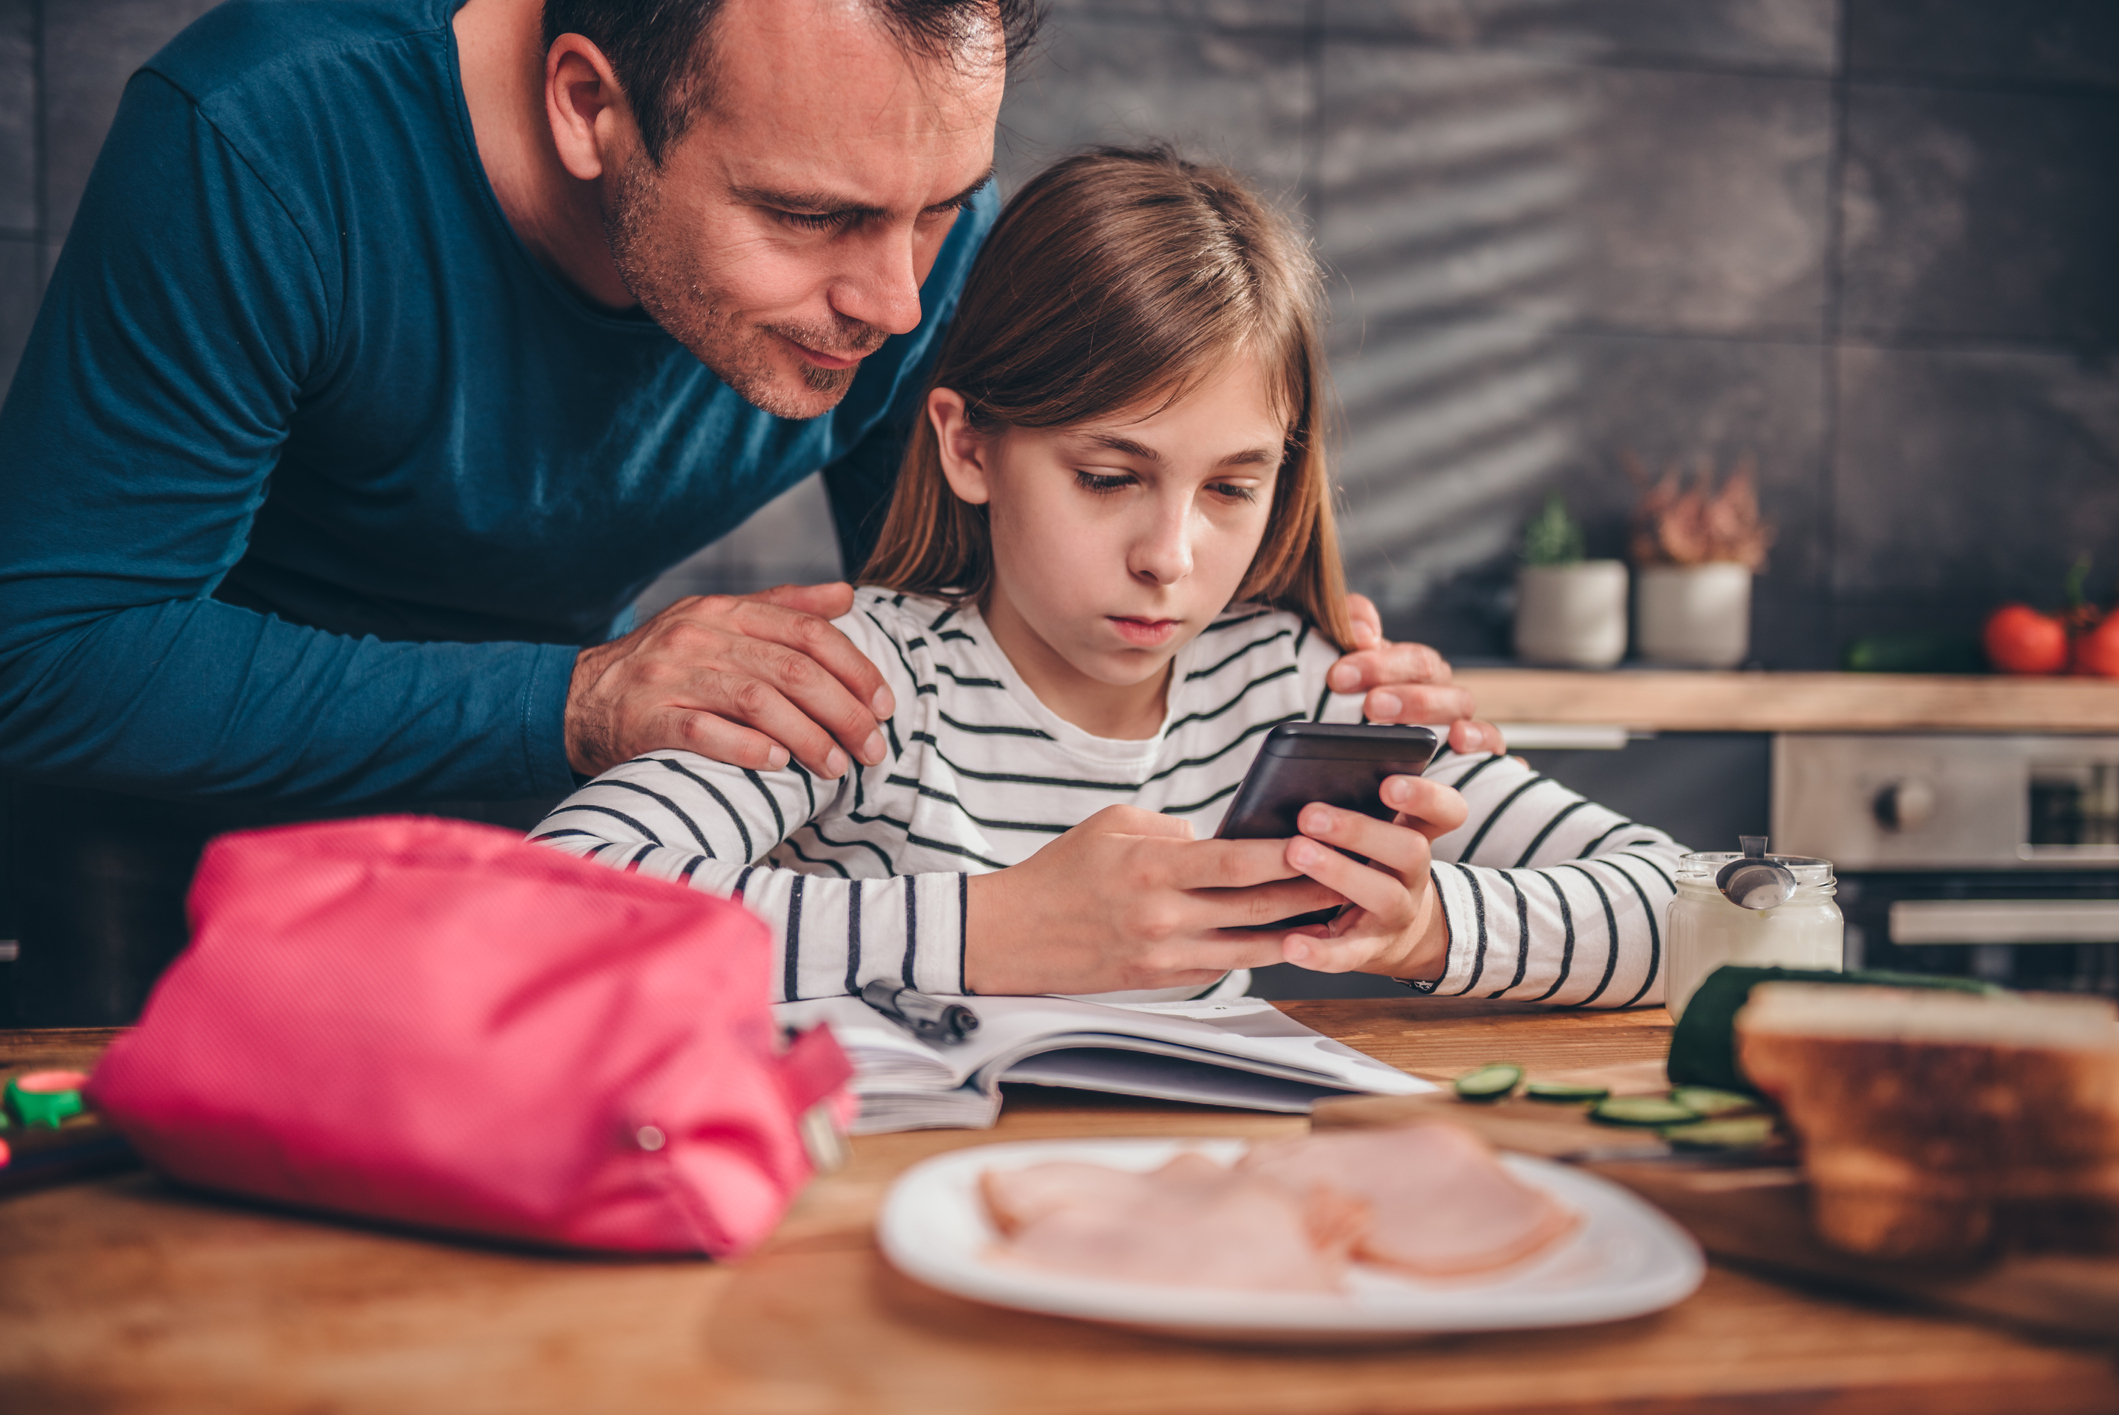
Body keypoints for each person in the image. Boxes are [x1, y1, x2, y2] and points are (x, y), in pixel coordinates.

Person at [0, 0, 1467, 1022]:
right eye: (809, 217)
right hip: (172, 863)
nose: (897, 303)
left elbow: (971, 637)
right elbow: (45, 653)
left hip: (592, 858)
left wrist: (1260, 652)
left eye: (943, 205)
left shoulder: (893, 233)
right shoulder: (267, 139)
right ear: (589, 107)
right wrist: (582, 698)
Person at [533, 149, 1685, 1005]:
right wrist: (988, 927)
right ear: (967, 445)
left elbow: (1700, 912)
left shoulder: (1295, 684)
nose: (1171, 556)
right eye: (1105, 475)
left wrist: (1424, 926)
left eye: (1231, 488)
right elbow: (554, 910)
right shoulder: (858, 680)